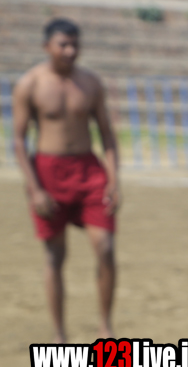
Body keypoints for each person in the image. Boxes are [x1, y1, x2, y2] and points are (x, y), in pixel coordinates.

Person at [13, 18, 120, 343]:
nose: (70, 51)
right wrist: (35, 189)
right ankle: (59, 334)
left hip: (89, 171)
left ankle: (105, 328)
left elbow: (107, 134)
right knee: (55, 256)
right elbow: (19, 140)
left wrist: (114, 179)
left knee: (105, 247)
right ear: (47, 46)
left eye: (75, 44)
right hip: (48, 173)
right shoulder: (30, 84)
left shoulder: (90, 83)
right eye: (63, 45)